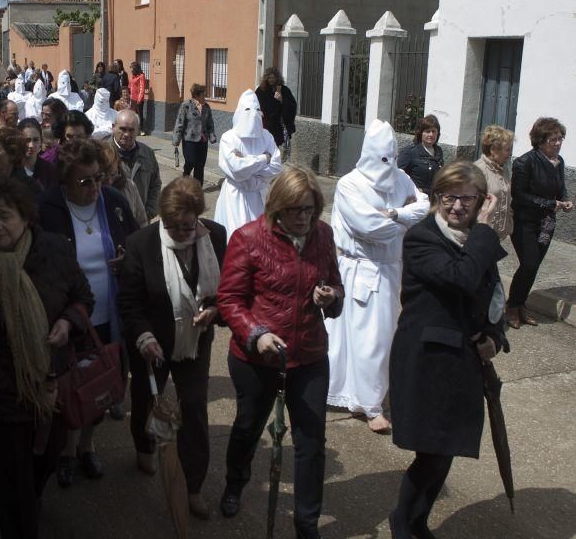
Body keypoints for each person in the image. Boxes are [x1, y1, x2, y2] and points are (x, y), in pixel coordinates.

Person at [0, 178, 93, 539]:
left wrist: (68, 322)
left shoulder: (55, 251)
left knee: (48, 456)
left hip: (52, 383)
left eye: (5, 216)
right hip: (0, 391)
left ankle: (34, 494)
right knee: (12, 481)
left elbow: (84, 299)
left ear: (25, 217)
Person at [216, 166, 343, 537]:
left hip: (308, 354)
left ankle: (307, 521)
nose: (303, 218)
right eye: (295, 210)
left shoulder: (323, 235)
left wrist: (331, 296)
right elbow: (229, 299)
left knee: (311, 442)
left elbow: (335, 284)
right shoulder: (249, 238)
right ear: (277, 208)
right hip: (258, 356)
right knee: (248, 427)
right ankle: (235, 482)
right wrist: (256, 334)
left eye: (309, 209)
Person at [388, 161, 508, 538]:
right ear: (436, 196)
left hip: (463, 363)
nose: (456, 206)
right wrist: (485, 232)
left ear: (480, 201)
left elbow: (490, 294)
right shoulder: (422, 238)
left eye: (466, 200)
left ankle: (418, 521)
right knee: (433, 451)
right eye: (447, 197)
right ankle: (402, 521)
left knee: (447, 449)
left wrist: (494, 336)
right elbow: (462, 278)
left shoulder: (475, 238)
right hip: (427, 361)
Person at [118, 177, 226, 520]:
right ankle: (145, 444)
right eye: (174, 227)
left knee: (194, 409)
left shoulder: (216, 236)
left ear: (198, 216)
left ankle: (193, 486)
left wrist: (215, 311)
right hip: (152, 342)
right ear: (162, 221)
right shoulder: (140, 244)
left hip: (195, 341)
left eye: (188, 226)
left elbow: (230, 293)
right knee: (147, 400)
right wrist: (145, 337)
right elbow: (130, 303)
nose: (182, 233)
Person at [38, 138, 139, 487]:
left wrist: (128, 261)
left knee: (101, 378)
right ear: (65, 182)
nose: (95, 186)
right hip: (66, 314)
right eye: (85, 181)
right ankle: (65, 451)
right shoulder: (48, 207)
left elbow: (137, 243)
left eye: (98, 178)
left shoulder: (114, 202)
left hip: (109, 312)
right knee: (68, 384)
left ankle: (87, 444)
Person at [324, 120, 429, 433]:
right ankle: (368, 405)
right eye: (383, 157)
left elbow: (424, 205)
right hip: (359, 268)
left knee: (384, 337)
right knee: (361, 339)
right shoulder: (350, 184)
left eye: (392, 157)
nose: (389, 165)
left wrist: (397, 214)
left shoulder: (401, 178)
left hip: (390, 269)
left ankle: (371, 395)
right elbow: (370, 227)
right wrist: (404, 219)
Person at [506, 117, 572, 328]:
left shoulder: (558, 162)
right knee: (529, 264)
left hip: (546, 224)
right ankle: (512, 308)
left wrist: (566, 200)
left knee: (533, 268)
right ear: (541, 141)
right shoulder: (525, 162)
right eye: (553, 139)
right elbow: (519, 195)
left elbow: (559, 188)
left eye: (560, 138)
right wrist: (550, 203)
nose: (558, 143)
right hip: (525, 221)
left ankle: (520, 304)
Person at [213, 89, 282, 240]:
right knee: (234, 240)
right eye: (247, 109)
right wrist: (264, 158)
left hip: (259, 197)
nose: (253, 114)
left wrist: (246, 162)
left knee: (262, 241)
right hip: (235, 198)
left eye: (257, 109)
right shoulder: (229, 138)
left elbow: (276, 167)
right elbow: (237, 170)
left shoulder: (267, 136)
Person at [111, 109, 162, 219]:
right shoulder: (103, 153)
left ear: (138, 131)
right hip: (113, 221)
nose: (127, 134)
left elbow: (155, 185)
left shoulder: (147, 153)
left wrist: (149, 212)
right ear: (113, 127)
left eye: (131, 130)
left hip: (141, 221)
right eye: (123, 129)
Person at [474, 125, 515, 241]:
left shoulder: (504, 169)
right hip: (481, 233)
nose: (510, 153)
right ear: (493, 150)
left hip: (497, 234)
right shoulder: (478, 170)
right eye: (507, 149)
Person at [173, 83, 216, 184]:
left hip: (203, 140)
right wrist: (176, 139)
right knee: (190, 161)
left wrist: (212, 137)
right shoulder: (186, 105)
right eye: (203, 94)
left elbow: (210, 123)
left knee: (200, 165)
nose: (204, 97)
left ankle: (198, 188)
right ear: (196, 95)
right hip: (189, 140)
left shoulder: (207, 107)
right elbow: (180, 122)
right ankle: (185, 180)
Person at [99, 140, 148, 227]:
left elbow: (141, 221)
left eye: (113, 174)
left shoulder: (129, 186)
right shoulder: (92, 191)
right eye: (104, 177)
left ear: (118, 164)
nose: (109, 181)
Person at [398, 115, 444, 193]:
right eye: (427, 131)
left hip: (434, 198)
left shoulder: (438, 151)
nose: (431, 135)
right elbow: (398, 174)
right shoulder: (410, 152)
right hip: (417, 199)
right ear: (420, 133)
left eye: (433, 131)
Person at [255, 67, 297, 150]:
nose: (271, 80)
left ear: (277, 78)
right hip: (264, 123)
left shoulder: (284, 90)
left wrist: (282, 100)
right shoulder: (260, 90)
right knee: (264, 145)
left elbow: (292, 106)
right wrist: (259, 111)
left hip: (277, 125)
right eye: (269, 77)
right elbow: (255, 103)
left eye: (273, 77)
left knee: (275, 146)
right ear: (266, 78)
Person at [19, 118, 58, 189]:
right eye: (27, 140)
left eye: (35, 140)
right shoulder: (10, 169)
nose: (31, 145)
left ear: (41, 141)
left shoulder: (50, 170)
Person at [128, 62, 147, 135]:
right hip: (132, 98)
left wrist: (139, 99)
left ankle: (142, 129)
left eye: (132, 68)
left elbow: (142, 88)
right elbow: (130, 86)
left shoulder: (141, 76)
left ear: (135, 68)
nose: (131, 69)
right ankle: (134, 129)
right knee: (133, 114)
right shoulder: (132, 76)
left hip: (138, 99)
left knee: (139, 115)